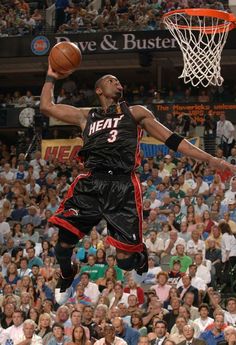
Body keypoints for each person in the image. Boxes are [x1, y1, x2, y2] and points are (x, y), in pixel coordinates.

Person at [40, 67, 236, 293]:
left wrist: (212, 159)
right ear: (99, 90)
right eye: (112, 80)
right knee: (63, 243)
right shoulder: (87, 116)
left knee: (124, 262)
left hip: (123, 185)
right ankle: (66, 272)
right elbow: (47, 106)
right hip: (92, 182)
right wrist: (52, 75)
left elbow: (172, 139)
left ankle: (139, 253)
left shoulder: (135, 112)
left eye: (118, 81)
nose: (117, 83)